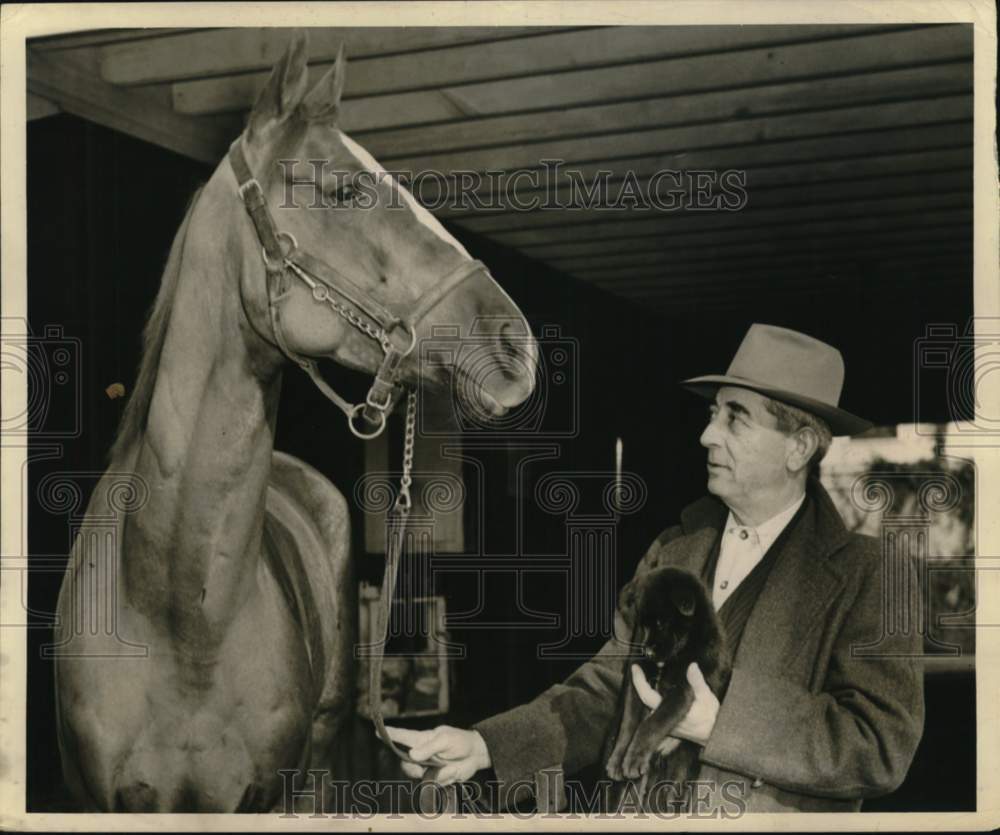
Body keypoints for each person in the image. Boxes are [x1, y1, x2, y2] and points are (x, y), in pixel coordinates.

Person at [385, 323, 925, 813]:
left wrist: (719, 722)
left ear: (799, 447)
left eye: (735, 418)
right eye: (714, 414)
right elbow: (606, 690)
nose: (707, 435)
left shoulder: (868, 573)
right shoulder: (675, 548)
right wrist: (484, 747)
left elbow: (879, 745)